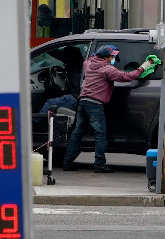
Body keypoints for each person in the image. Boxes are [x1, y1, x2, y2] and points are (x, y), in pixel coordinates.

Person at [62, 44, 154, 173]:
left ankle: (67, 162)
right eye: (112, 57)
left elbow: (91, 58)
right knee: (100, 135)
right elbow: (126, 77)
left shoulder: (88, 64)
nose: (113, 60)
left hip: (83, 102)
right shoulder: (107, 70)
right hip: (95, 104)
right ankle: (99, 165)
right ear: (106, 57)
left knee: (77, 133)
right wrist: (144, 66)